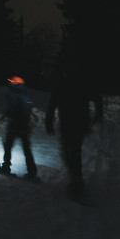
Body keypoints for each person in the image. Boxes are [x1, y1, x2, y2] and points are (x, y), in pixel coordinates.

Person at [44, 61, 104, 202]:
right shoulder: (80, 83)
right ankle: (77, 180)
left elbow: (52, 104)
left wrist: (49, 122)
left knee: (69, 151)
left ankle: (77, 182)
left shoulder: (65, 84)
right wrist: (96, 116)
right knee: (72, 151)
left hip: (71, 124)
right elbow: (97, 99)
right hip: (78, 123)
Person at [0, 76, 38, 179]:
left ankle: (6, 167)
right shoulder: (26, 93)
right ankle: (32, 171)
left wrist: (2, 117)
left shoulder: (13, 92)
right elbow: (30, 108)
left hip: (14, 124)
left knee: (8, 146)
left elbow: (11, 108)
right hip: (24, 124)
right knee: (27, 149)